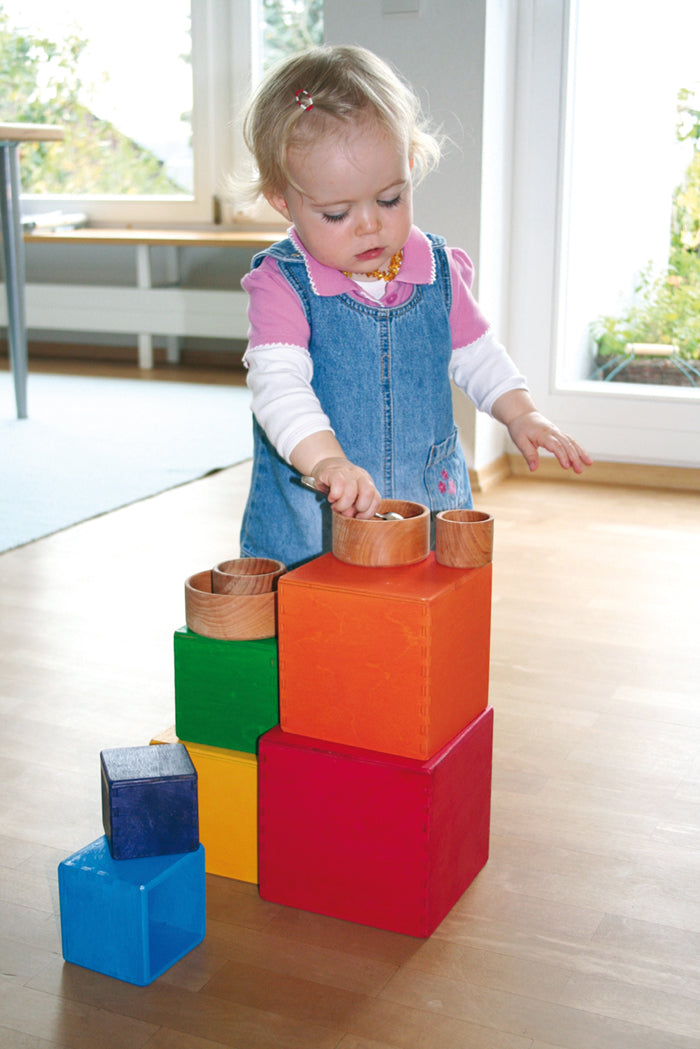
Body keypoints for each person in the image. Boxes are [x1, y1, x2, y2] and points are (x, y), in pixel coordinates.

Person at [237, 44, 591, 568]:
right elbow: (278, 385)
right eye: (336, 213)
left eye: (389, 199)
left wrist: (522, 413)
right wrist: (328, 460)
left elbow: (475, 353)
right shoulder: (283, 285)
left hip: (425, 501)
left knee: (423, 614)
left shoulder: (438, 270)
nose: (370, 225)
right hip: (319, 522)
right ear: (283, 202)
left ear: (409, 167)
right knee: (319, 624)